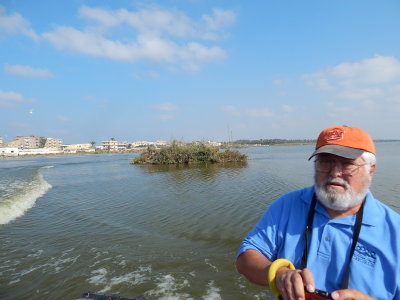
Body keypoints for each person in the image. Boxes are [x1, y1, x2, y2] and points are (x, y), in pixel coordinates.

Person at [236, 126, 400, 300]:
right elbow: (246, 258)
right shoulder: (287, 205)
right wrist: (279, 274)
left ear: (371, 170)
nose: (335, 173)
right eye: (325, 161)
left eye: (348, 163)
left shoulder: (395, 232)